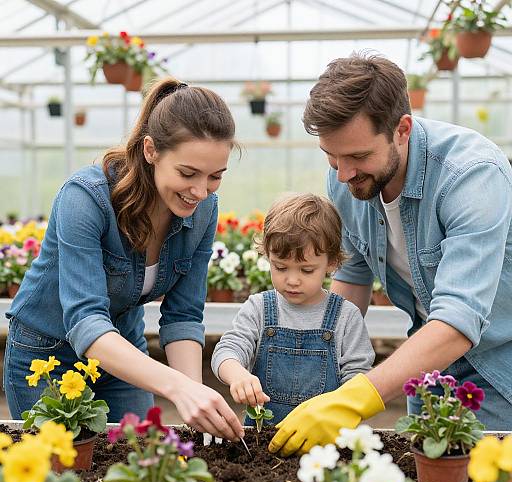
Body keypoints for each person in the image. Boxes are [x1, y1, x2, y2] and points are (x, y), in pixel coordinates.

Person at [269, 53, 512, 456]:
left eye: (358, 156)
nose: (343, 173)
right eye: (332, 155)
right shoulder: (347, 179)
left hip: (496, 370)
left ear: (402, 129)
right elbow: (353, 278)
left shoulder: (471, 174)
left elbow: (458, 319)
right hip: (423, 369)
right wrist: (320, 367)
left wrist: (354, 399)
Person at [3, 77, 244, 442]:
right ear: (151, 150)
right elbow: (85, 320)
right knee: (62, 476)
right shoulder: (86, 197)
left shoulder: (204, 212)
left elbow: (183, 316)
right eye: (187, 173)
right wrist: (177, 387)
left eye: (215, 176)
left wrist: (197, 397)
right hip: (47, 355)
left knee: (139, 459)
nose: (200, 191)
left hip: (124, 350)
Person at [211, 193, 375, 425]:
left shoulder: (346, 317)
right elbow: (227, 350)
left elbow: (358, 378)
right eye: (280, 267)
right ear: (267, 255)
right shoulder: (258, 309)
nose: (292, 280)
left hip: (324, 439)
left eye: (306, 270)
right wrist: (237, 375)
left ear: (331, 263)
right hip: (265, 443)